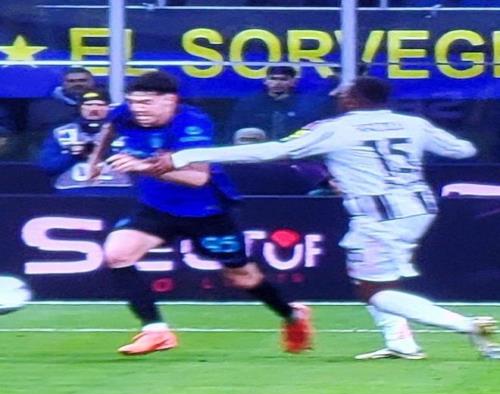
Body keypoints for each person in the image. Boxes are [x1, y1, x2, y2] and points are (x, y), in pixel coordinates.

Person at [145, 76, 500, 360]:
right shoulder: (413, 124)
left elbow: (273, 151)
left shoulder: (334, 129)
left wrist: (186, 155)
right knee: (378, 277)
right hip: (419, 207)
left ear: (354, 100)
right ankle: (401, 344)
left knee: (373, 291)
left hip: (379, 215)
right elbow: (462, 150)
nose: (339, 97)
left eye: (344, 94)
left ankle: (469, 326)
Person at [90, 71, 313, 356]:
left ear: (170, 100)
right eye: (133, 102)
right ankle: (156, 331)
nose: (138, 109)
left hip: (205, 211)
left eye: (146, 103)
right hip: (157, 206)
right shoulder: (125, 113)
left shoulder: (192, 124)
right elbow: (109, 127)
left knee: (242, 276)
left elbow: (197, 178)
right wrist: (95, 160)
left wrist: (142, 167)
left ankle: (292, 315)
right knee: (117, 254)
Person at [37, 89, 131, 195]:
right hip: (71, 191)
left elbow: (141, 163)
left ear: (109, 107)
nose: (94, 109)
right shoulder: (61, 133)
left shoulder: (127, 132)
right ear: (80, 108)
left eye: (100, 105)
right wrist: (72, 155)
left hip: (119, 190)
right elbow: (47, 166)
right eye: (88, 105)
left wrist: (105, 151)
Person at [226, 65, 331, 143]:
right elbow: (234, 130)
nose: (277, 83)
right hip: (258, 151)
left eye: (283, 79)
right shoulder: (249, 104)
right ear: (265, 81)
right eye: (273, 79)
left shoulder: (306, 105)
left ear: (293, 82)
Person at [25, 67, 97, 160]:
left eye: (82, 80)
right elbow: (35, 135)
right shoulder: (43, 106)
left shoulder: (107, 102)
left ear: (92, 82)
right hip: (57, 153)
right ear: (63, 83)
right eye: (71, 81)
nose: (77, 84)